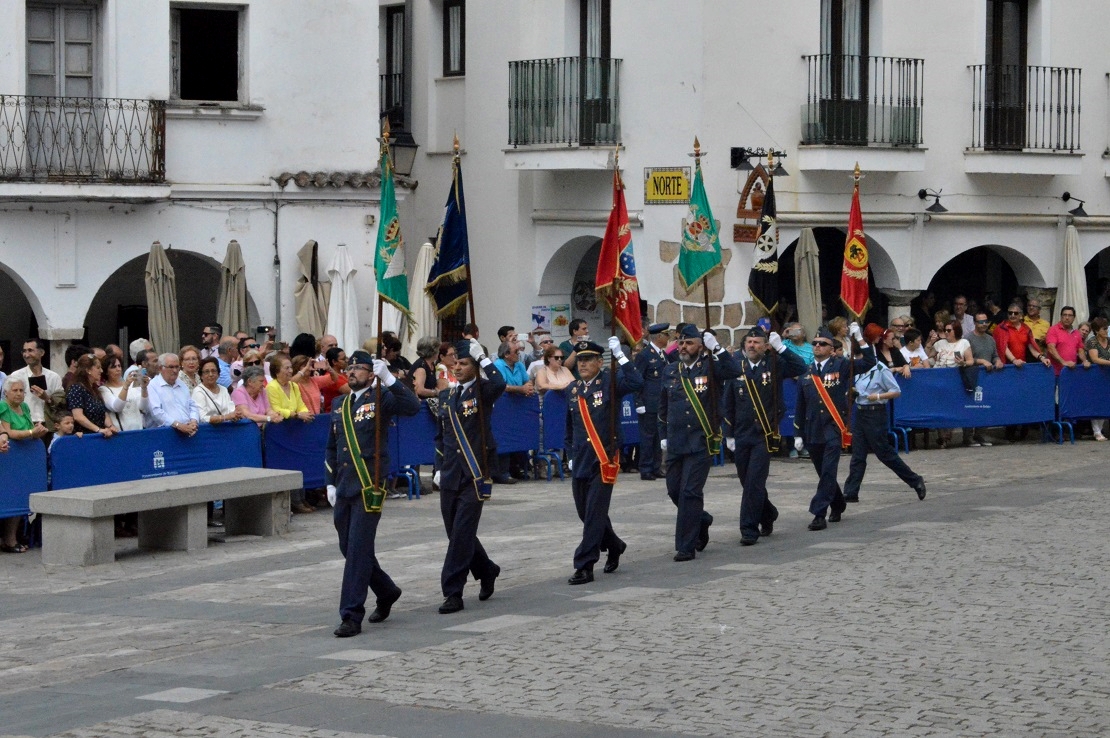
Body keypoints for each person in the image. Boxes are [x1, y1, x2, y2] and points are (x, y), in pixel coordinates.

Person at [326, 352, 420, 637]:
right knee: (349, 547)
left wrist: (390, 378)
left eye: (360, 368)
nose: (352, 372)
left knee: (357, 550)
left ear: (372, 373)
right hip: (344, 485)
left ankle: (351, 615)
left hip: (369, 486)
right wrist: (330, 481)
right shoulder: (339, 403)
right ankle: (386, 589)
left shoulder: (381, 398)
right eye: (350, 367)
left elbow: (412, 406)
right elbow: (332, 445)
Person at [433, 338, 506, 613]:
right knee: (455, 533)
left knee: (462, 535)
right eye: (456, 363)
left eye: (465, 363)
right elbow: (441, 438)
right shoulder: (447, 396)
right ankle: (487, 569)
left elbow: (499, 384)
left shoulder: (483, 391)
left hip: (475, 474)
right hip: (451, 474)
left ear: (475, 367)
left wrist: (484, 359)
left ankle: (453, 591)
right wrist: (439, 468)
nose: (458, 367)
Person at [658, 325, 741, 561]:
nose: (684, 347)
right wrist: (663, 435)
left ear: (700, 346)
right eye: (681, 343)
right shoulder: (671, 371)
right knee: (674, 490)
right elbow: (663, 407)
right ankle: (701, 519)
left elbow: (734, 370)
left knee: (689, 492)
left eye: (689, 343)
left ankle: (686, 546)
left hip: (701, 440)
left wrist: (717, 348)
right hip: (675, 442)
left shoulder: (712, 368)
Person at [564, 337, 643, 583]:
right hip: (582, 458)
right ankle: (615, 544)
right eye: (580, 360)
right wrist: (569, 455)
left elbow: (636, 381)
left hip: (603, 458)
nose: (583, 364)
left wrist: (620, 355)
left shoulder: (609, 382)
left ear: (600, 361)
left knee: (595, 513)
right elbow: (571, 426)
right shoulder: (574, 389)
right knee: (585, 513)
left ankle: (585, 564)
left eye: (588, 359)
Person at [723, 327, 807, 546]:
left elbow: (801, 367)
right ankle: (768, 513)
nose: (752, 345)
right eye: (749, 342)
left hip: (764, 434)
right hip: (741, 434)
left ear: (766, 346)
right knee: (746, 480)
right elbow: (728, 403)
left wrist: (781, 348)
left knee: (754, 481)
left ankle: (748, 529)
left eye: (757, 342)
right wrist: (728, 433)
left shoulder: (774, 365)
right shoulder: (736, 367)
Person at [794, 322, 874, 531]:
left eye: (823, 344)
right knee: (823, 473)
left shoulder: (841, 365)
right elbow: (801, 405)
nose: (817, 346)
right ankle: (838, 503)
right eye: (815, 343)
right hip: (812, 430)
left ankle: (818, 513)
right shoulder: (807, 371)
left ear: (831, 348)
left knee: (829, 471)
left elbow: (869, 361)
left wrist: (860, 338)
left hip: (833, 428)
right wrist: (798, 433)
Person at [841, 356, 927, 505]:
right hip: (861, 412)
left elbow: (896, 390)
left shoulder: (880, 369)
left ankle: (914, 480)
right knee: (858, 454)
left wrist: (878, 396)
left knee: (884, 452)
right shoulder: (857, 369)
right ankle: (851, 491)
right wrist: (853, 393)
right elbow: (859, 388)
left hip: (875, 413)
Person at [633, 323, 671, 480]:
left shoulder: (662, 355)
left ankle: (656, 467)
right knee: (648, 437)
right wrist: (638, 402)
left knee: (658, 436)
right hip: (648, 403)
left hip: (660, 404)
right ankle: (646, 467)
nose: (668, 338)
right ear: (660, 337)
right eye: (667, 335)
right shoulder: (644, 355)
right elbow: (636, 380)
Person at [492, 341, 534, 483]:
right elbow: (501, 386)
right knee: (504, 438)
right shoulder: (498, 365)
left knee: (519, 435)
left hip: (516, 407)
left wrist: (527, 387)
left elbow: (527, 381)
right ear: (506, 355)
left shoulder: (520, 365)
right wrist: (521, 389)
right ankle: (501, 472)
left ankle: (518, 468)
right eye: (516, 352)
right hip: (502, 408)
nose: (519, 354)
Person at [928, 321, 974, 449]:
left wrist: (963, 363)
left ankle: (947, 435)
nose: (946, 333)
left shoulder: (964, 343)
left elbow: (971, 360)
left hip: (954, 378)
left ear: (956, 331)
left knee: (952, 408)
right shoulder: (940, 344)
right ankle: (941, 437)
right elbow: (926, 356)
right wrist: (930, 343)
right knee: (939, 407)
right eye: (946, 330)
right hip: (938, 378)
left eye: (949, 330)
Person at [964, 313, 1003, 447]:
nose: (984, 324)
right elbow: (965, 360)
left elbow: (995, 355)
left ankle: (980, 434)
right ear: (975, 323)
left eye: (986, 321)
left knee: (985, 406)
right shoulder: (967, 339)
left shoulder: (990, 339)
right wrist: (980, 361)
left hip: (987, 378)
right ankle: (968, 436)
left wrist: (997, 361)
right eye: (981, 322)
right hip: (972, 376)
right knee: (970, 406)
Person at [10, 338, 66, 431]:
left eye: (30, 350)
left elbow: (61, 404)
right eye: (24, 351)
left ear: (42, 353)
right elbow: (9, 402)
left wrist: (47, 398)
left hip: (48, 425)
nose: (26, 355)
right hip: (24, 425)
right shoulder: (16, 376)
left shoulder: (53, 377)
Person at [147, 353, 201, 436]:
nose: (175, 370)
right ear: (161, 368)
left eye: (177, 367)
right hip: (166, 434)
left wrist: (193, 421)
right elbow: (156, 412)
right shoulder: (153, 385)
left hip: (188, 432)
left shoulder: (182, 384)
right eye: (171, 367)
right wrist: (178, 425)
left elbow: (192, 405)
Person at [66, 355, 117, 438]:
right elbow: (78, 416)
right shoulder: (76, 388)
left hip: (100, 437)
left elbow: (103, 412)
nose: (101, 370)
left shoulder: (95, 389)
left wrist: (111, 426)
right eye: (98, 367)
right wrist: (98, 430)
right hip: (84, 438)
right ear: (88, 370)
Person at [99, 354, 149, 431]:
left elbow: (143, 407)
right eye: (113, 367)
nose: (118, 369)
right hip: (121, 433)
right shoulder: (103, 389)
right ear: (106, 371)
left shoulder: (131, 384)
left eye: (119, 366)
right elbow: (116, 407)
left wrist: (144, 388)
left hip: (138, 430)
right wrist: (126, 386)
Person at [192, 357, 241, 424]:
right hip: (209, 431)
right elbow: (202, 418)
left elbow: (231, 411)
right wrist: (224, 417)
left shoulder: (224, 390)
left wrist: (236, 415)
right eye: (206, 372)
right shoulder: (198, 392)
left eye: (213, 371)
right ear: (201, 376)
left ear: (218, 374)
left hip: (226, 430)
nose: (211, 374)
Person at [1045, 305, 1091, 375]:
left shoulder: (1076, 333)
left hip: (1071, 372)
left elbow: (1080, 350)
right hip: (1055, 373)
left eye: (1070, 315)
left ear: (1074, 318)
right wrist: (1064, 362)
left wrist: (1085, 361)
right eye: (1065, 315)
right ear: (1061, 316)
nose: (1067, 318)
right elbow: (1051, 348)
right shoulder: (1053, 329)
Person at [266, 355, 314, 422]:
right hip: (279, 425)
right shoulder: (272, 387)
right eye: (287, 368)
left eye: (291, 367)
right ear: (277, 372)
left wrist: (306, 413)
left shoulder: (294, 385)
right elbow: (276, 409)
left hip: (294, 424)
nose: (291, 371)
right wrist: (297, 415)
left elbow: (301, 406)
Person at [1086, 317, 1110, 441]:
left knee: (1106, 401)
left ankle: (1103, 429)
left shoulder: (1109, 341)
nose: (1106, 330)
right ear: (1096, 330)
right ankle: (1096, 431)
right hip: (1095, 376)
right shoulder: (1092, 342)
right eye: (1104, 328)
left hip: (1107, 376)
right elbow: (1095, 359)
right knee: (1097, 402)